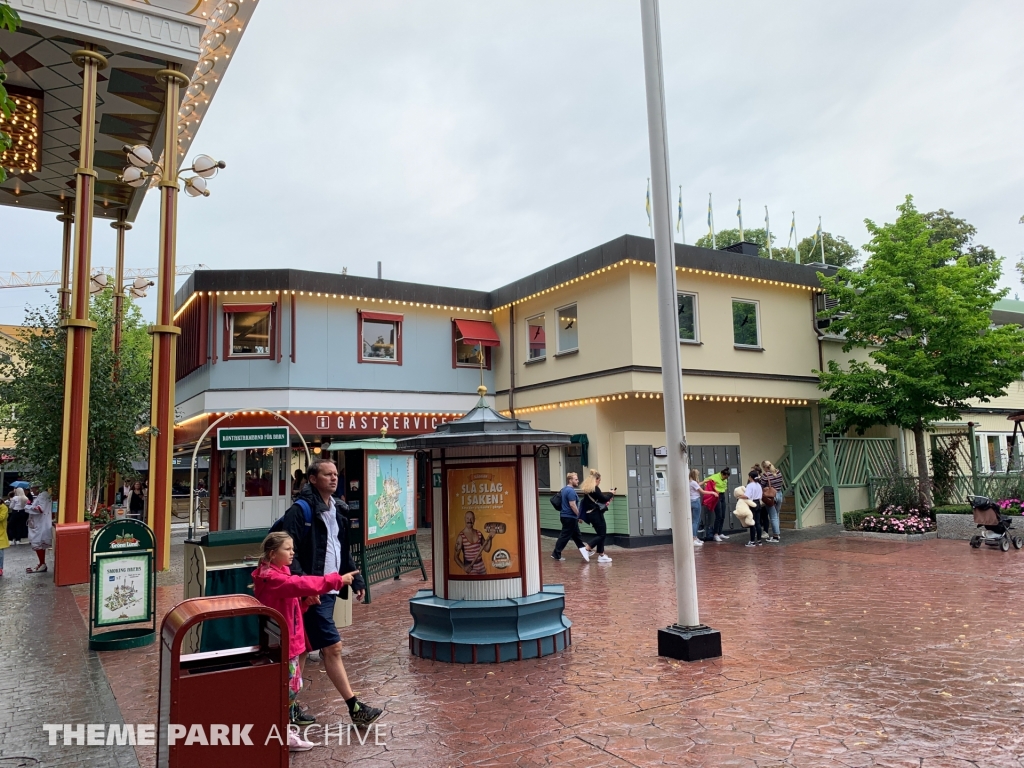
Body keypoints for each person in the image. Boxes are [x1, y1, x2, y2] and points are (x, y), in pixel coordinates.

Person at [277, 459, 382, 727]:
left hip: (328, 590)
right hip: (313, 593)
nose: (334, 478)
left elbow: (339, 548)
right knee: (332, 647)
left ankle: (286, 706)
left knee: (302, 650)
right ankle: (354, 706)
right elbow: (288, 553)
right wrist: (305, 586)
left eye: (336, 474)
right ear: (313, 479)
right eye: (328, 474)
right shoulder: (301, 511)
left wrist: (356, 579)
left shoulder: (339, 509)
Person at [251, 531, 356, 752]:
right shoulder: (274, 578)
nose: (292, 553)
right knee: (287, 690)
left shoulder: (277, 574)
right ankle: (283, 733)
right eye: (287, 549)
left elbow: (292, 603)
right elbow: (300, 584)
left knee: (290, 687)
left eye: (292, 548)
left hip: (287, 642)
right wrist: (338, 579)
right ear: (272, 553)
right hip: (285, 644)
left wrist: (305, 601)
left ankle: (281, 729)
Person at [551, 472, 590, 562]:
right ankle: (556, 553)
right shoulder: (571, 491)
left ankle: (585, 550)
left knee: (576, 535)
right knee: (565, 536)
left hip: (565, 516)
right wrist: (579, 515)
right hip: (569, 517)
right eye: (576, 479)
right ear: (570, 480)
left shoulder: (564, 489)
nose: (578, 481)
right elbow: (572, 505)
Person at [579, 470, 615, 563]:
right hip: (596, 514)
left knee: (600, 534)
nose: (600, 482)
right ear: (597, 479)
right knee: (602, 534)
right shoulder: (595, 488)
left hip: (590, 514)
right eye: (599, 480)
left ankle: (601, 555)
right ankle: (587, 548)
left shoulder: (588, 489)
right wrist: (611, 493)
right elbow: (603, 499)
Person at [25, 485, 52, 573]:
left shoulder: (43, 495)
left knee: (37, 543)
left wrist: (27, 507)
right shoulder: (43, 495)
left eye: (32, 488)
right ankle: (41, 563)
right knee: (40, 544)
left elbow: (40, 509)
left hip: (40, 524)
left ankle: (42, 563)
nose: (31, 490)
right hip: (39, 523)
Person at [689, 469, 717, 547]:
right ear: (695, 475)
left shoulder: (689, 482)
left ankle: (695, 537)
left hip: (691, 501)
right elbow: (702, 492)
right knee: (696, 521)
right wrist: (713, 492)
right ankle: (693, 538)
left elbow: (698, 485)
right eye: (698, 475)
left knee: (695, 520)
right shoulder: (694, 482)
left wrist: (704, 482)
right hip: (696, 501)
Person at [703, 468, 732, 542]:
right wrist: (712, 490)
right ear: (722, 474)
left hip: (722, 496)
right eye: (725, 477)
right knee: (718, 515)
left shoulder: (725, 478)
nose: (726, 479)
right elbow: (706, 481)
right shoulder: (714, 477)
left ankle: (720, 532)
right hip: (716, 496)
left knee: (723, 515)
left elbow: (725, 485)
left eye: (727, 478)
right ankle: (715, 534)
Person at [760, 460, 785, 543]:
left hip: (771, 496)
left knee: (773, 516)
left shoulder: (765, 475)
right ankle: (778, 534)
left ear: (764, 467)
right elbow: (781, 482)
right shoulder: (778, 472)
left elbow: (761, 486)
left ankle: (775, 536)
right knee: (777, 515)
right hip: (779, 494)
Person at [744, 470, 764, 547]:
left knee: (752, 522)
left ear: (750, 477)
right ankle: (759, 541)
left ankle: (752, 541)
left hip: (752, 503)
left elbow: (747, 496)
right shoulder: (758, 485)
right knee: (758, 523)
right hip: (758, 503)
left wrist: (739, 496)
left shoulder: (750, 485)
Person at [0, 497, 8, 576]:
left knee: (0, 553)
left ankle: (0, 568)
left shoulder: (3, 508)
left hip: (1, 533)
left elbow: (1, 518)